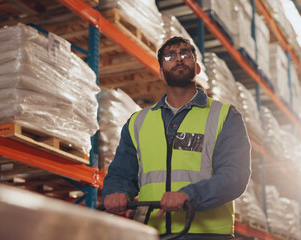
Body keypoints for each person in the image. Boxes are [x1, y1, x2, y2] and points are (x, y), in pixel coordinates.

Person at [102, 36, 251, 239]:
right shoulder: (138, 122)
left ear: (197, 69)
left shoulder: (224, 116)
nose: (179, 58)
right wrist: (116, 192)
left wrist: (189, 195)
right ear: (161, 73)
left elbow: (235, 175)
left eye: (185, 54)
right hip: (153, 232)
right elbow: (121, 173)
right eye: (170, 55)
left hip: (208, 234)